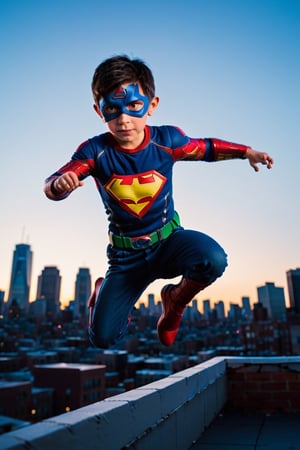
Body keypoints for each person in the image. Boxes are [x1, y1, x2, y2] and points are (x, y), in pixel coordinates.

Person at [44, 55, 273, 348]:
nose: (123, 118)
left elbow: (205, 148)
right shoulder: (94, 150)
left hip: (168, 242)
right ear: (98, 111)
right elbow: (56, 182)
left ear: (152, 105)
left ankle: (174, 300)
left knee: (213, 259)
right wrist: (59, 186)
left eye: (134, 106)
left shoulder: (167, 140)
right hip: (126, 259)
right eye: (112, 109)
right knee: (103, 339)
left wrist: (246, 152)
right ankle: (102, 292)